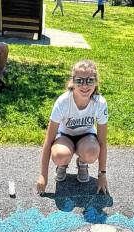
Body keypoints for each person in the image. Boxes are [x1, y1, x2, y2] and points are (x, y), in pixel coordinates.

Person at [36, 60, 108, 195]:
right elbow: (48, 140)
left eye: (90, 80)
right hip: (65, 137)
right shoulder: (63, 101)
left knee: (92, 152)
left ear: (96, 82)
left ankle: (82, 162)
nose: (85, 86)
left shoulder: (100, 103)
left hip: (87, 138)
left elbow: (102, 142)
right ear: (72, 82)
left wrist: (102, 174)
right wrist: (43, 176)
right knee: (60, 155)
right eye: (80, 81)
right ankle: (62, 164)